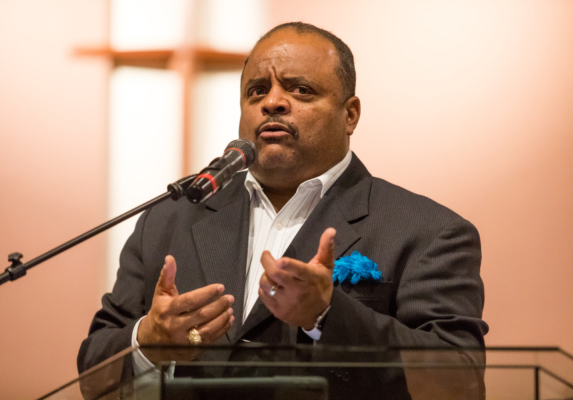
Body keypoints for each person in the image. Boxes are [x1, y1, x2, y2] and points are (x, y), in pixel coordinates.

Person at [78, 22, 488, 398]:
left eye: (301, 90)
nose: (272, 102)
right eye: (257, 91)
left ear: (350, 115)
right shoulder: (170, 219)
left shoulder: (427, 231)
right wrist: (147, 341)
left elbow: (459, 382)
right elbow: (94, 373)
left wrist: (327, 315)